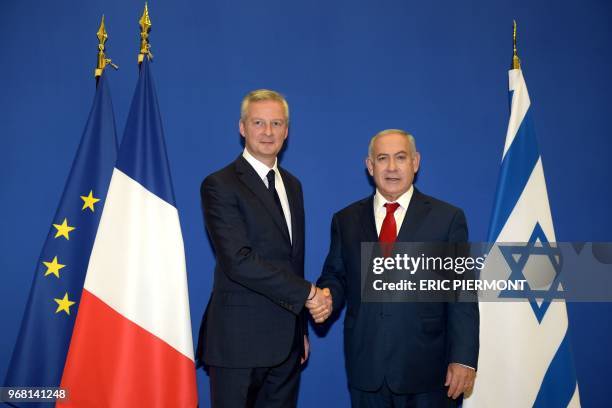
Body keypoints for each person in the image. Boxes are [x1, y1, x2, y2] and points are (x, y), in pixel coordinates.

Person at [315, 129, 479, 407]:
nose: (391, 167)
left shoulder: (447, 218)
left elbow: (462, 293)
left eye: (400, 158)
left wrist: (463, 359)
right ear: (370, 166)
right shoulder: (346, 220)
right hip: (367, 369)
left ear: (415, 162)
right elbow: (336, 275)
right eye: (382, 158)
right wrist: (327, 296)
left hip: (429, 372)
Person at [195, 89, 331, 408]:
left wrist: (299, 330)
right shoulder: (219, 184)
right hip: (238, 343)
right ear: (242, 128)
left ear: (287, 130)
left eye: (276, 123)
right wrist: (310, 295)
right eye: (259, 122)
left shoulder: (293, 185)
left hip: (286, 345)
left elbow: (290, 262)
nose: (268, 132)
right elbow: (238, 261)